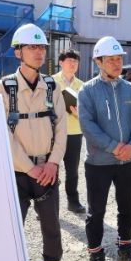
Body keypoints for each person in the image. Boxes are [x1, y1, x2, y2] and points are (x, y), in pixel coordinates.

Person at [0, 23, 74, 261]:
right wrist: (29, 167)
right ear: (18, 52)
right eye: (32, 47)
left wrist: (52, 162)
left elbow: (61, 128)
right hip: (17, 172)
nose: (39, 52)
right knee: (11, 228)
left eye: (41, 47)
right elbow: (2, 133)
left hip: (47, 170)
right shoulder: (2, 88)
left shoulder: (52, 86)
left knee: (51, 225)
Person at [78, 36, 131, 261]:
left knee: (127, 208)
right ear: (98, 62)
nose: (117, 64)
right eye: (111, 59)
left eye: (119, 59)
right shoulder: (87, 91)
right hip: (99, 163)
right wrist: (115, 147)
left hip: (128, 162)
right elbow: (87, 125)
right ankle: (96, 256)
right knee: (96, 212)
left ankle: (125, 251)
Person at [52, 49, 86, 214]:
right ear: (61, 62)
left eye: (75, 61)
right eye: (69, 60)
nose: (73, 64)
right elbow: (44, 105)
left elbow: (88, 111)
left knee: (72, 171)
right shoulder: (51, 81)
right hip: (54, 133)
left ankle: (73, 202)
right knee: (52, 169)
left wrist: (79, 114)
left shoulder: (82, 85)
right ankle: (49, 205)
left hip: (74, 133)